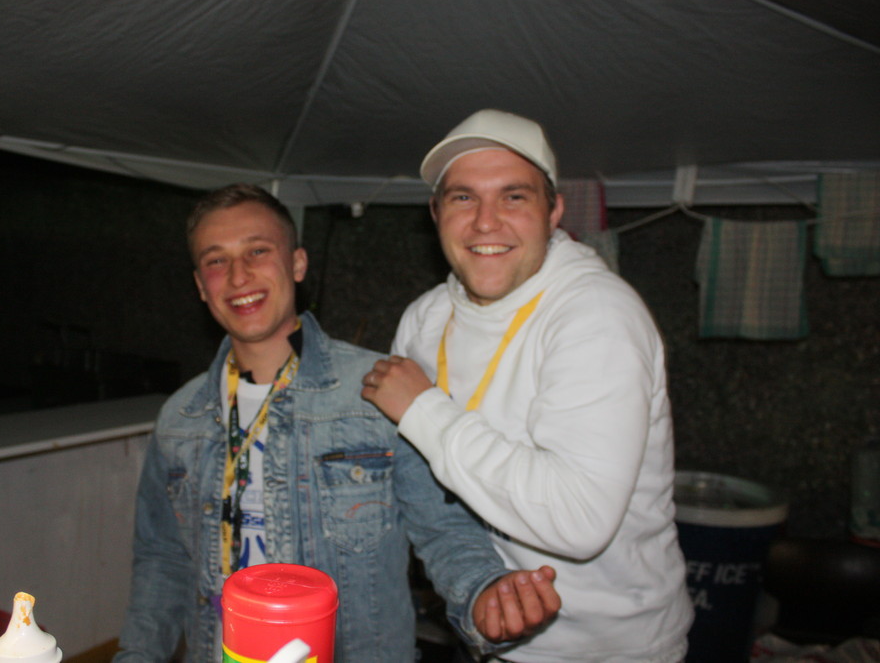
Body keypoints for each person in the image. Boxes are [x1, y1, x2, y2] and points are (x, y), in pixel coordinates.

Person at [113, 183, 560, 663]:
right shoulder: (180, 419)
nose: (239, 276)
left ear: (297, 264)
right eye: (217, 260)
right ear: (201, 285)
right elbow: (161, 562)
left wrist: (484, 594)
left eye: (258, 251)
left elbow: (445, 531)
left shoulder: (378, 393)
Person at [361, 110, 694, 662]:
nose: (485, 222)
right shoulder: (424, 319)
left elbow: (580, 519)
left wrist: (423, 409)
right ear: (436, 212)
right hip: (484, 629)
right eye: (463, 198)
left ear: (554, 210)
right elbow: (423, 492)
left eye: (513, 197)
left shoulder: (596, 314)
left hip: (610, 651)